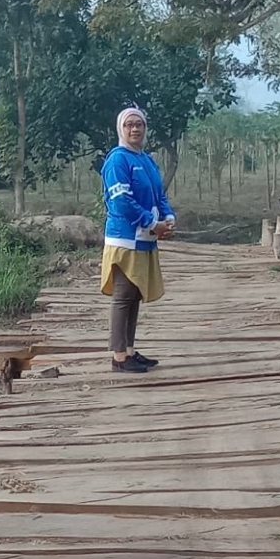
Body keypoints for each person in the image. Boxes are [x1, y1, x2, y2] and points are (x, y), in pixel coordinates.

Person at [100, 107, 175, 373]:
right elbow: (121, 202)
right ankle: (119, 356)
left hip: (145, 238)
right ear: (121, 129)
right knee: (122, 296)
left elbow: (159, 194)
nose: (135, 129)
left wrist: (168, 216)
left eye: (139, 124)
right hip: (125, 239)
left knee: (133, 296)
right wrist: (151, 223)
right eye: (130, 125)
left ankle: (129, 350)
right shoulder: (117, 161)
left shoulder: (146, 160)